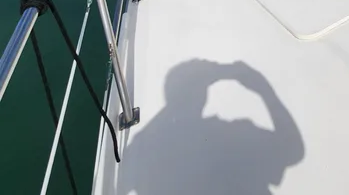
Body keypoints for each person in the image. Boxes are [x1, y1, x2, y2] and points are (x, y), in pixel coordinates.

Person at [116, 59, 304, 195]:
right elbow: (294, 150)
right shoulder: (228, 134)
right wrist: (263, 89)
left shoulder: (143, 144)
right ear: (202, 96)